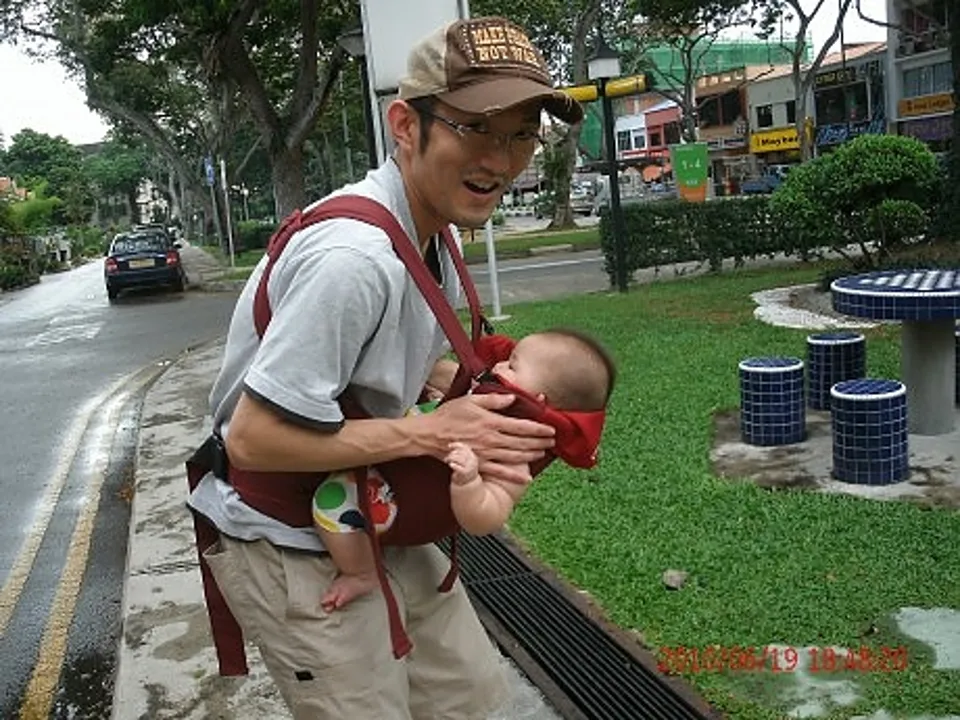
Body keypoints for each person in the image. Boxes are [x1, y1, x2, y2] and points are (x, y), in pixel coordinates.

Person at [186, 14, 584, 720]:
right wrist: (434, 432)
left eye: (522, 134)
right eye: (475, 127)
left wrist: (489, 395)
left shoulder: (432, 230)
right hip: (290, 530)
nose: (501, 159)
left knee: (470, 698)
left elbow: (382, 362)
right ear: (405, 125)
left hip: (376, 507)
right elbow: (252, 439)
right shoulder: (353, 260)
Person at [314, 329, 616, 612]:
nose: (497, 365)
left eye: (511, 365)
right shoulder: (490, 398)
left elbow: (485, 520)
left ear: (539, 401)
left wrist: (468, 482)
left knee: (331, 502)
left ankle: (360, 573)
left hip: (401, 495)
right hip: (403, 457)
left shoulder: (515, 451)